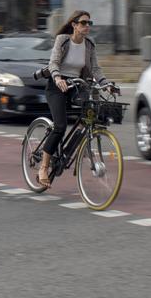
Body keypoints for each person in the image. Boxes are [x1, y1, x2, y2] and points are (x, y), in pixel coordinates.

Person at [37, 10, 117, 188]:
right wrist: (57, 78)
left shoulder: (89, 43)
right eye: (83, 23)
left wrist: (106, 84)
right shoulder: (63, 40)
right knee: (60, 126)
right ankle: (43, 167)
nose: (87, 26)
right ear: (74, 25)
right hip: (56, 85)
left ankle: (81, 147)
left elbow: (95, 69)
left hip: (77, 85)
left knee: (90, 114)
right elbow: (54, 63)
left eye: (89, 23)